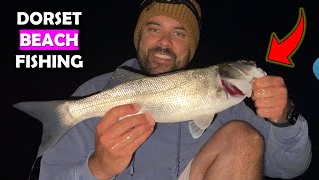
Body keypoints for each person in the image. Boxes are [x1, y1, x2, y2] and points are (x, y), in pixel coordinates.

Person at [37, 0, 312, 179]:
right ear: (140, 36)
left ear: (190, 46)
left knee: (244, 139)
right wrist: (98, 167)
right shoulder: (95, 92)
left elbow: (287, 167)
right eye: (154, 29)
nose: (164, 43)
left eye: (179, 33)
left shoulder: (228, 104)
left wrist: (284, 118)